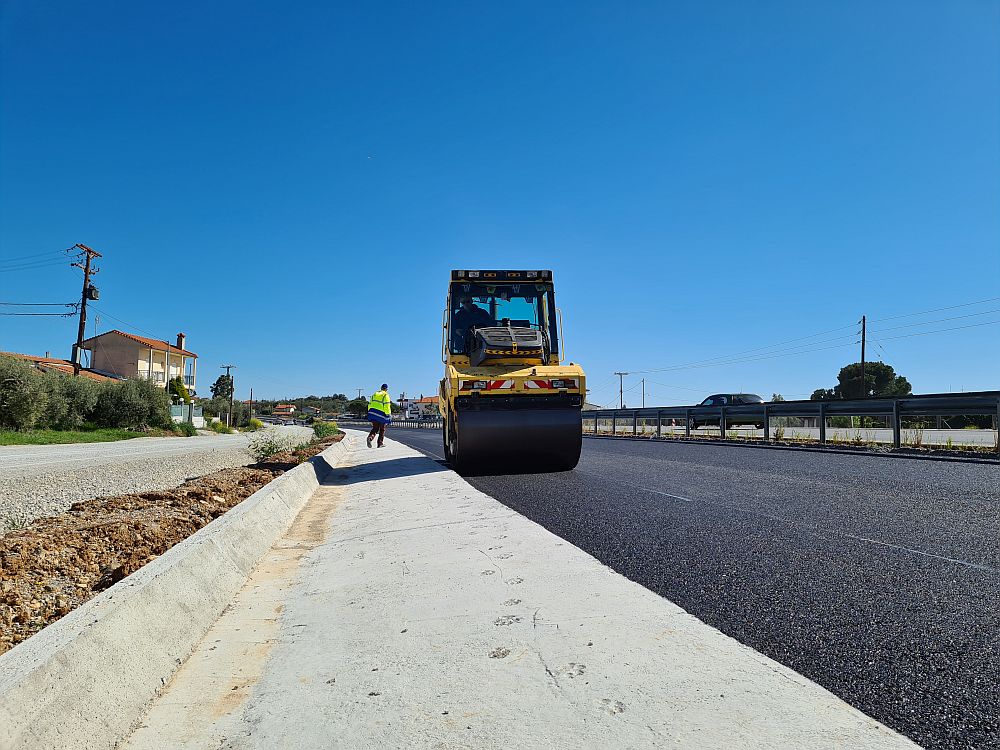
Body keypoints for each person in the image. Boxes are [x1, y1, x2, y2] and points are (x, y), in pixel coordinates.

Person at [367, 384, 392, 448]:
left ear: (381, 388)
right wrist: (388, 414)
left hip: (372, 413)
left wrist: (370, 412)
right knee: (382, 429)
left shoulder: (374, 394)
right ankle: (380, 443)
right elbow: (387, 406)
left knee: (375, 428)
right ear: (386, 389)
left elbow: (369, 404)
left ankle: (370, 438)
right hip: (381, 414)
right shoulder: (386, 395)